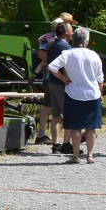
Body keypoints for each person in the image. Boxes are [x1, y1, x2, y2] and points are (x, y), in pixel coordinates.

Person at [49, 27, 104, 162]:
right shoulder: (94, 55)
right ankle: (90, 155)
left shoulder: (67, 54)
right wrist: (100, 93)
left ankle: (75, 156)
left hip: (73, 93)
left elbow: (52, 67)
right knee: (91, 127)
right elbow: (100, 78)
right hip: (92, 93)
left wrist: (63, 78)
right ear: (86, 41)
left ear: (74, 39)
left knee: (75, 126)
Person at [38, 19, 73, 152]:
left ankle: (56, 144)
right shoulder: (65, 47)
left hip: (52, 82)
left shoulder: (52, 44)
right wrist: (65, 78)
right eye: (71, 29)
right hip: (60, 84)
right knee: (68, 114)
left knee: (56, 115)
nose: (73, 31)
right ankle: (66, 144)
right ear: (65, 32)